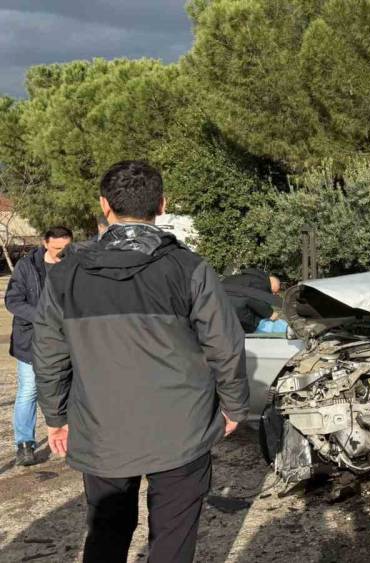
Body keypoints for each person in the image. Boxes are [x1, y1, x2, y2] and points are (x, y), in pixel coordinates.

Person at [32, 161, 247, 563]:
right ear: (162, 204)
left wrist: (55, 416)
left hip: (102, 428)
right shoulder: (190, 268)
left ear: (104, 205)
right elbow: (225, 344)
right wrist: (235, 404)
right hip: (181, 427)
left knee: (106, 531)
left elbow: (48, 352)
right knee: (174, 537)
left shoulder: (65, 275)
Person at [4, 226, 73, 466]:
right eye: (56, 248)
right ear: (45, 243)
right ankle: (25, 444)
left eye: (66, 248)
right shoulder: (27, 267)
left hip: (67, 340)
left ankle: (71, 438)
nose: (61, 253)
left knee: (70, 388)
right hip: (31, 341)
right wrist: (43, 317)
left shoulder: (75, 264)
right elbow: (13, 301)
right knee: (29, 390)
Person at [222, 268, 282, 333]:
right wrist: (270, 313)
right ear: (274, 283)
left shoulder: (242, 277)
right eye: (277, 291)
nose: (275, 294)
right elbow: (255, 299)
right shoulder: (262, 283)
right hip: (238, 312)